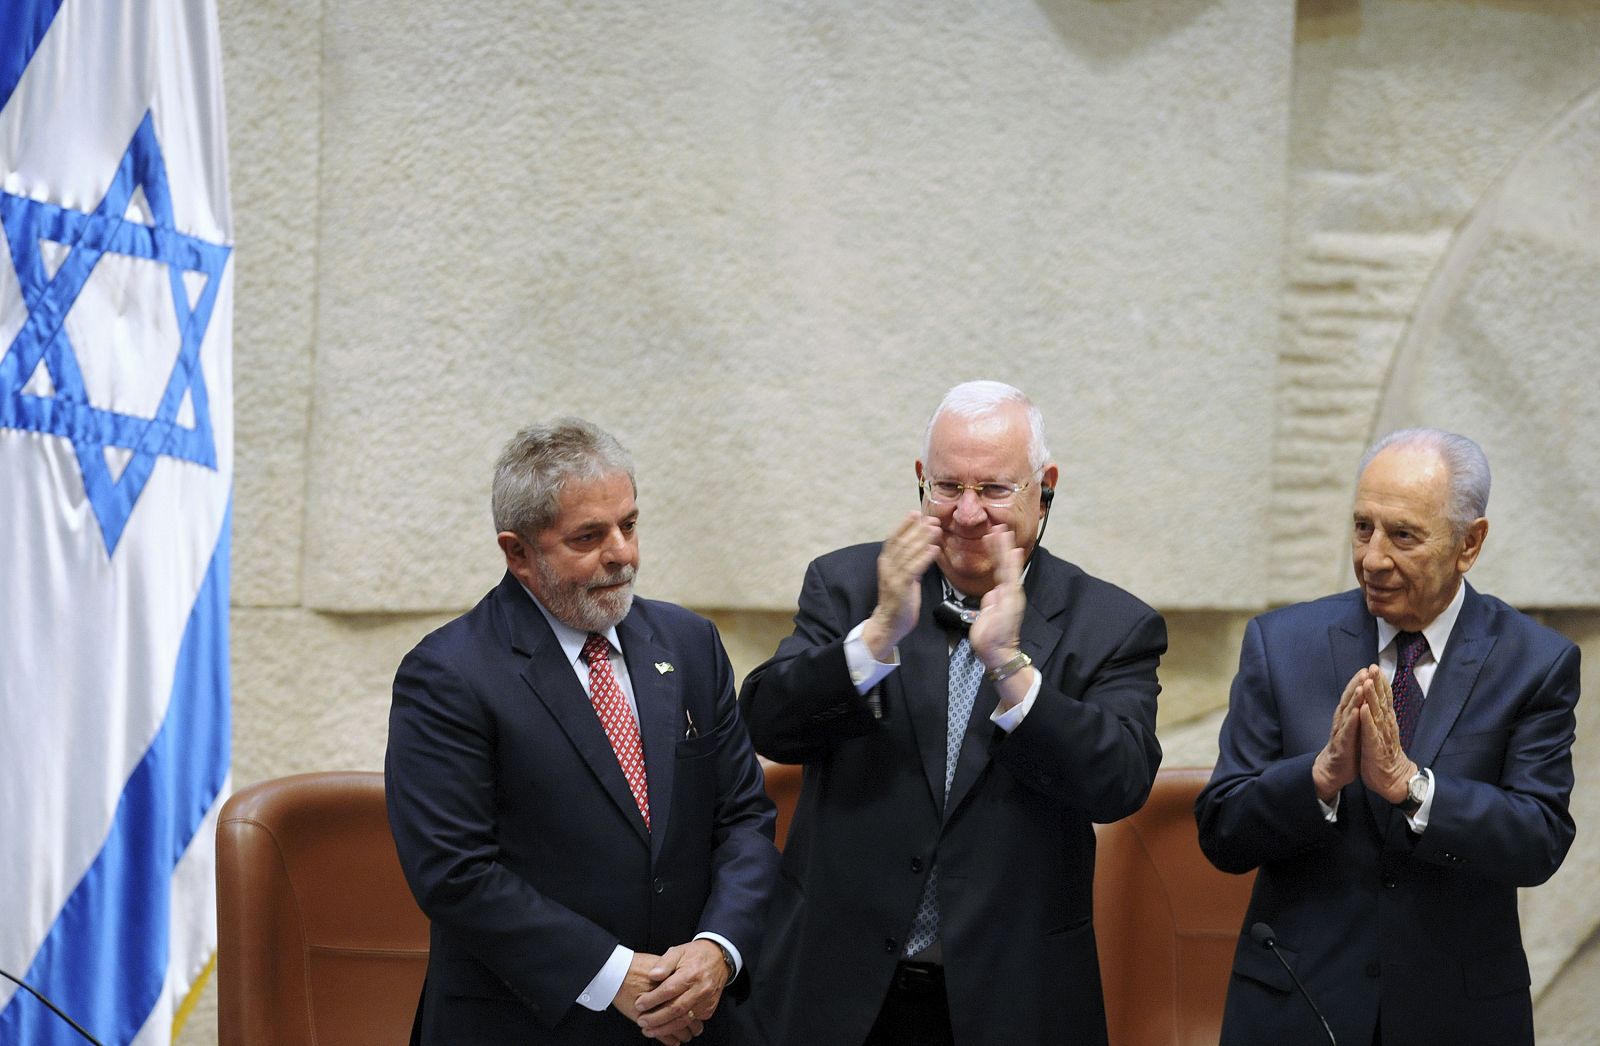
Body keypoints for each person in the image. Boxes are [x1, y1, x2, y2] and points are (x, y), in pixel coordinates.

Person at [737, 380, 1167, 1046]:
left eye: (995, 490)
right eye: (947, 487)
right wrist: (877, 634)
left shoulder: (1111, 624)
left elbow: (1121, 782)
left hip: (1011, 999)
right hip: (836, 992)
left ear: (1045, 486)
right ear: (919, 480)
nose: (967, 515)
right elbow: (769, 723)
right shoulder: (849, 584)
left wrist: (1011, 669)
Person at [385, 418, 780, 1045]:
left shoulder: (689, 643)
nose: (622, 552)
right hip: (527, 1022)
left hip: (696, 1020)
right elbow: (452, 871)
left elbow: (744, 819)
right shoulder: (448, 674)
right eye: (588, 536)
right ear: (518, 552)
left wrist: (718, 948)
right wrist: (612, 973)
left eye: (629, 524)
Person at [1195, 428, 1581, 1046]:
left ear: (1470, 543)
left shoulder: (1534, 662)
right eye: (1362, 527)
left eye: (1403, 536)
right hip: (1298, 1006)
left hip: (1457, 1016)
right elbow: (1221, 830)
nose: (1373, 558)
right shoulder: (1282, 644)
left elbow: (1538, 838)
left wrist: (1412, 788)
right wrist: (1317, 779)